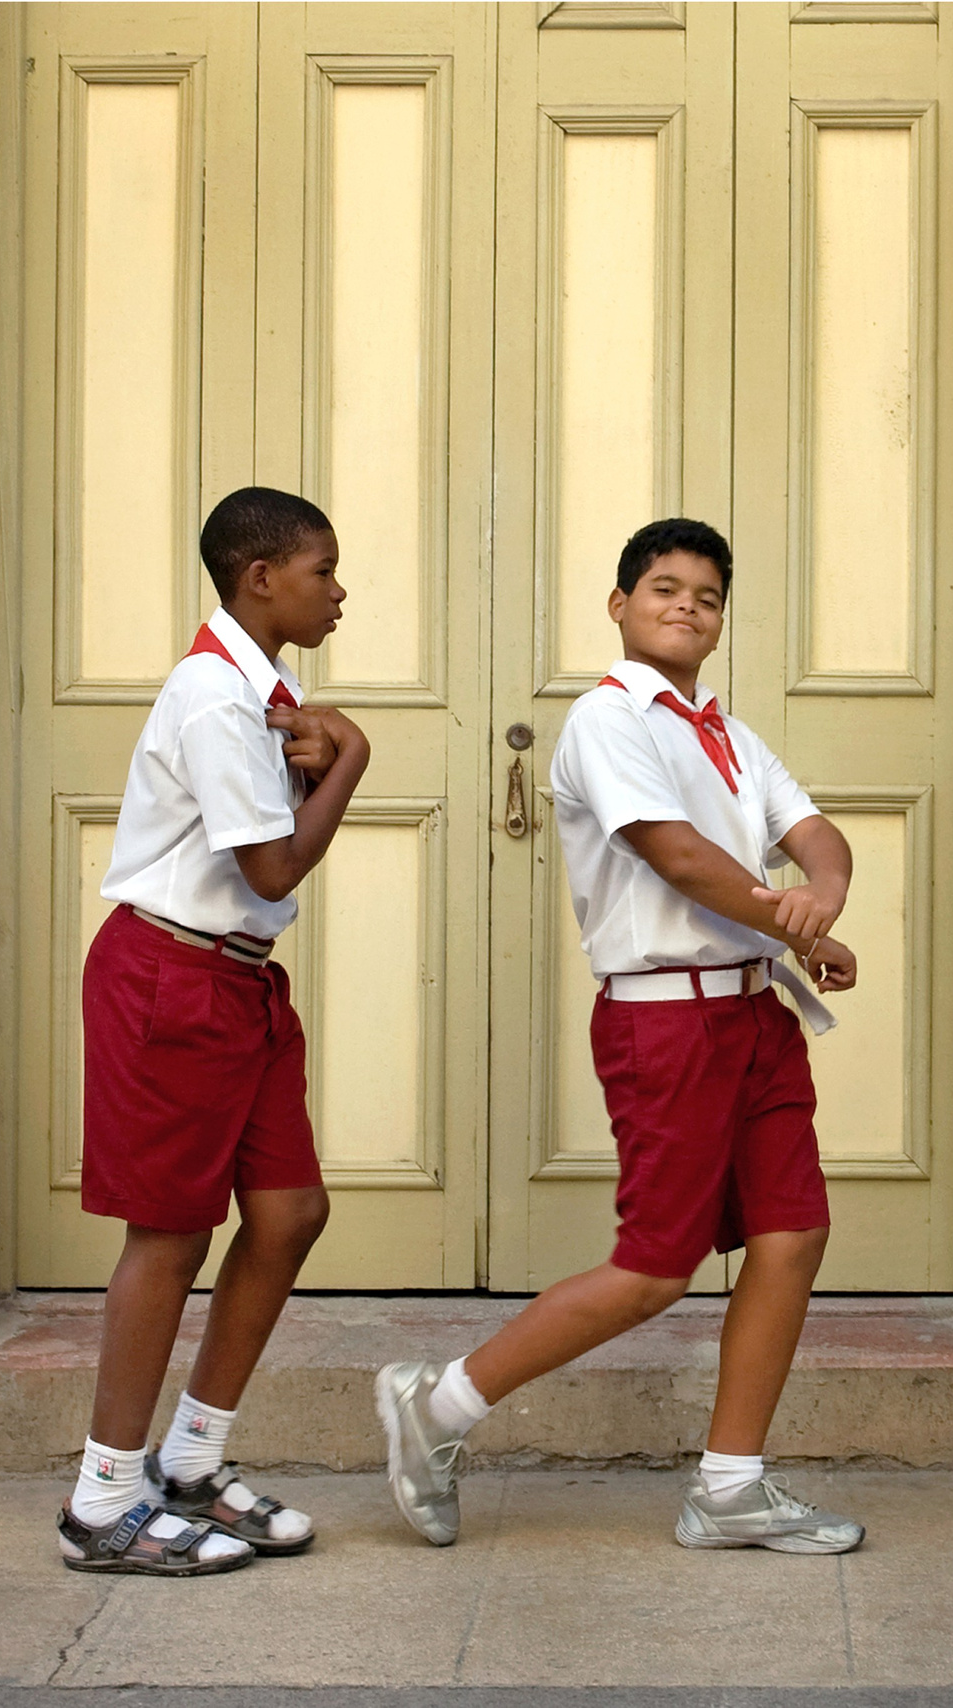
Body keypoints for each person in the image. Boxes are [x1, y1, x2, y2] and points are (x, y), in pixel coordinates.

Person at [376, 517, 864, 1555]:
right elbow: (677, 857)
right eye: (662, 588)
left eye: (706, 594)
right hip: (665, 1024)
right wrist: (791, 916)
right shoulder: (608, 723)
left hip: (751, 1013)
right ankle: (439, 1405)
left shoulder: (725, 731)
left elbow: (811, 828)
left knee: (791, 1233)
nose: (686, 605)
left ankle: (730, 1485)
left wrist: (820, 895)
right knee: (654, 1266)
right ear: (619, 606)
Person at [56, 486, 369, 1575]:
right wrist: (353, 762)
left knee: (288, 1212)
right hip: (170, 977)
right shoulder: (214, 696)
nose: (340, 591)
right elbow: (274, 864)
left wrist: (313, 757)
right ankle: (103, 1500)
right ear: (260, 578)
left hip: (240, 983)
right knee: (170, 1232)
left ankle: (191, 1460)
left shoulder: (264, 690)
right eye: (324, 570)